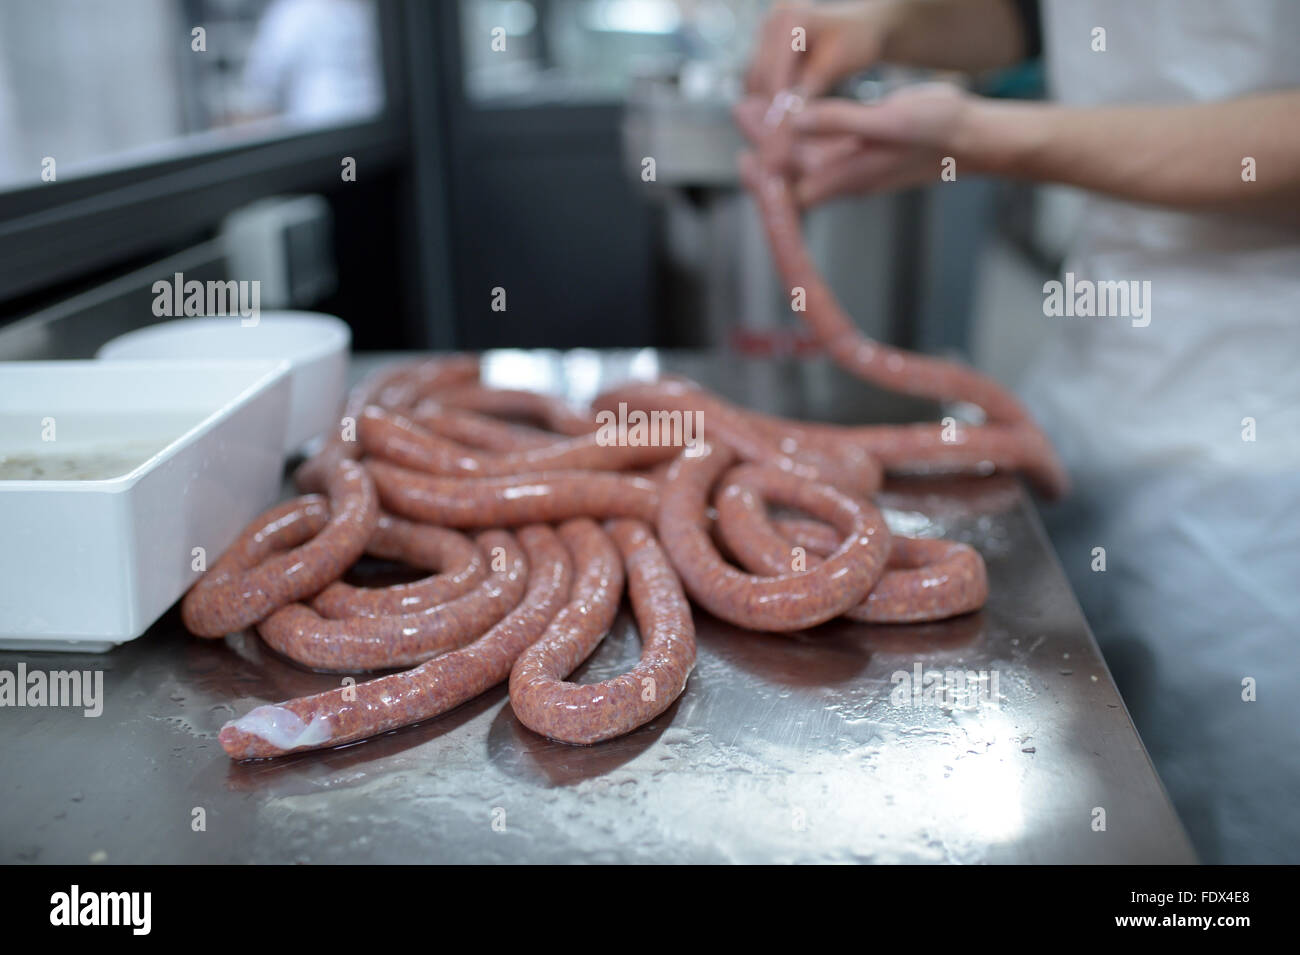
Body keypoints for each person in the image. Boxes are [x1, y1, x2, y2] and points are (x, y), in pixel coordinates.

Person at [737, 0, 1300, 864]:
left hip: (1266, 452)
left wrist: (991, 138)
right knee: (1096, 813)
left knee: (1227, 838)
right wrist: (887, 27)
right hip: (1092, 382)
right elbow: (1039, 16)